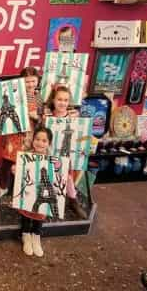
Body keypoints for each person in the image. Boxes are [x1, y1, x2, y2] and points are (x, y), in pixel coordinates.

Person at [44, 86, 87, 219]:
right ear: (53, 100)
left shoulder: (74, 117)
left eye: (65, 100)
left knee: (67, 176)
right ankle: (51, 203)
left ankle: (73, 200)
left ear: (69, 102)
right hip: (49, 154)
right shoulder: (47, 117)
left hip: (67, 155)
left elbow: (81, 138)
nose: (62, 103)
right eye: (59, 99)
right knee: (49, 177)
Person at [12, 126, 54, 257]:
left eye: (44, 140)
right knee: (26, 212)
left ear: (49, 143)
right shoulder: (26, 156)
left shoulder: (53, 160)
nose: (40, 143)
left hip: (42, 192)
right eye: (37, 139)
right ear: (33, 140)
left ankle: (36, 236)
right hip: (28, 192)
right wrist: (15, 170)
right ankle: (25, 235)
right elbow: (18, 174)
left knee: (40, 213)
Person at [1, 67, 43, 196]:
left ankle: (19, 191)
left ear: (38, 81)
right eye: (27, 81)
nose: (30, 84)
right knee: (7, 160)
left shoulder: (39, 97)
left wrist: (35, 116)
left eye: (33, 81)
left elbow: (42, 119)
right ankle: (3, 187)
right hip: (13, 133)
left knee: (23, 163)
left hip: (29, 135)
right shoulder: (13, 95)